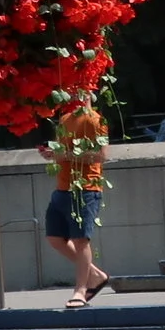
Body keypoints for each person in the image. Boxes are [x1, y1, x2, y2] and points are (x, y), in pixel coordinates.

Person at [48, 99, 111, 309]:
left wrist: (65, 155)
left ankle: (80, 290)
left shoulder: (95, 120)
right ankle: (94, 274)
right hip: (62, 188)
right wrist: (52, 154)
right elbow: (61, 154)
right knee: (55, 238)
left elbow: (101, 156)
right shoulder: (64, 119)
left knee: (80, 239)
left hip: (86, 188)